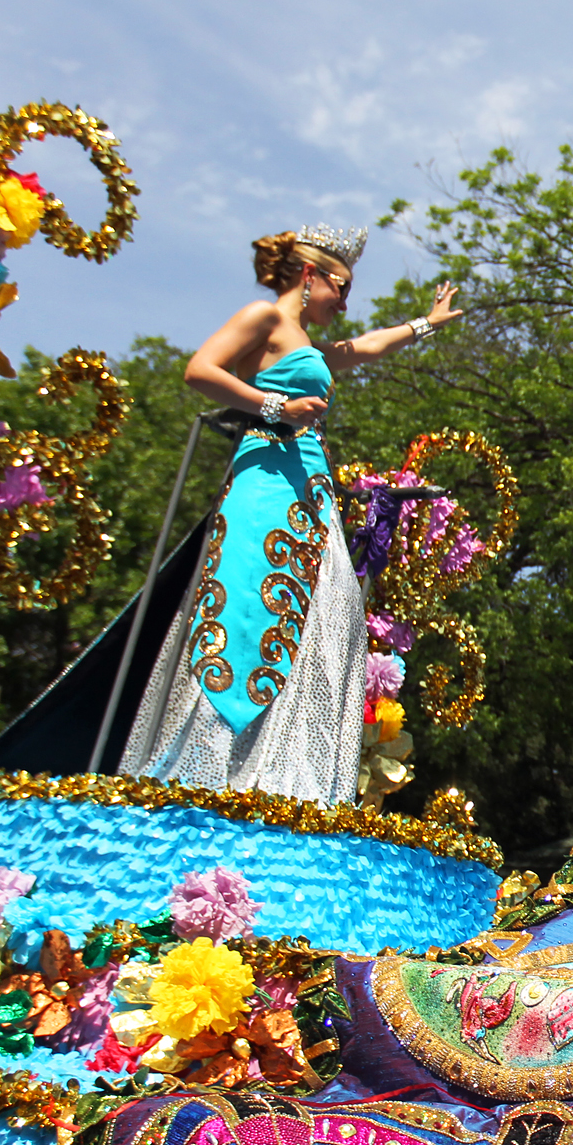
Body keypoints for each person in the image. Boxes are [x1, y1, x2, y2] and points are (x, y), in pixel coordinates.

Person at [119, 226, 462, 804]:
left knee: (329, 619)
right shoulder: (265, 319)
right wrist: (276, 404)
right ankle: (210, 768)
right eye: (342, 286)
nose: (346, 303)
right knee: (252, 605)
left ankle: (285, 777)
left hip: (307, 489)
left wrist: (427, 323)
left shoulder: (309, 345)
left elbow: (369, 346)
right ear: (310, 277)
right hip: (266, 483)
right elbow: (200, 370)